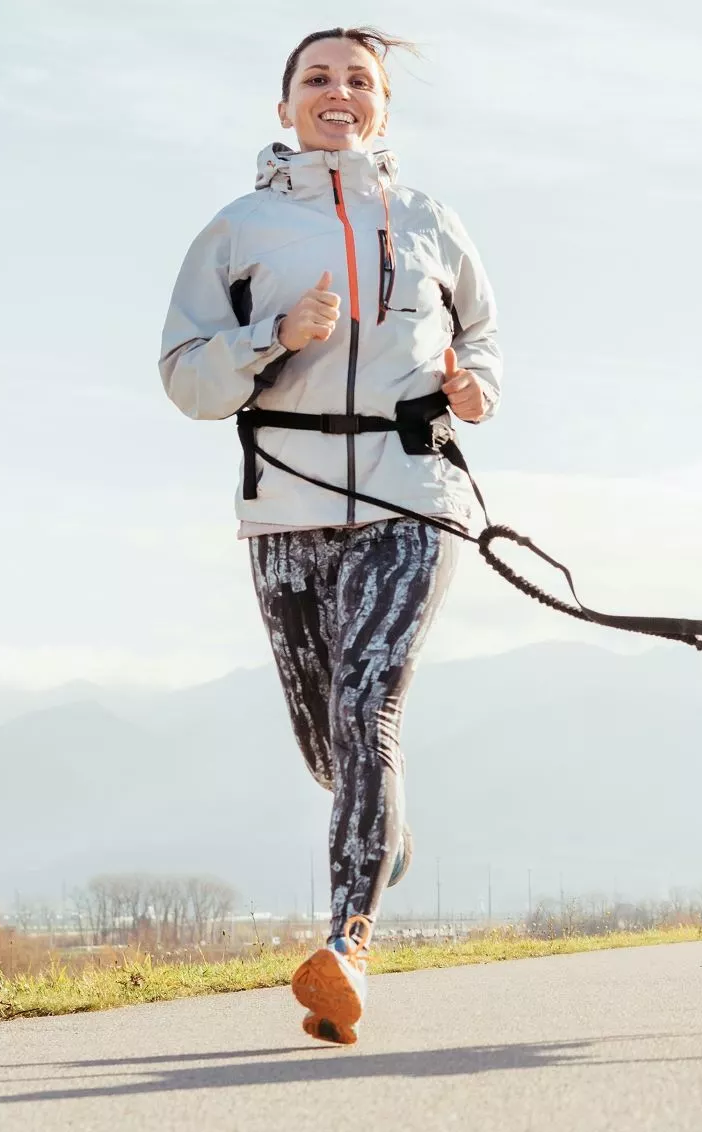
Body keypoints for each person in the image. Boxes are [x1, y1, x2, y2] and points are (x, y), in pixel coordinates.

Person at [158, 25, 501, 1045]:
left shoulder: (434, 220)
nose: (338, 92)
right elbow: (185, 377)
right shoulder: (238, 229)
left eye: (359, 80)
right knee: (330, 742)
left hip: (411, 500)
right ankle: (377, 817)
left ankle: (346, 948)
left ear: (383, 106)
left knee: (365, 704)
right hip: (286, 509)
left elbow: (481, 334)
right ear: (285, 107)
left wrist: (476, 387)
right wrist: (274, 336)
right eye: (318, 78)